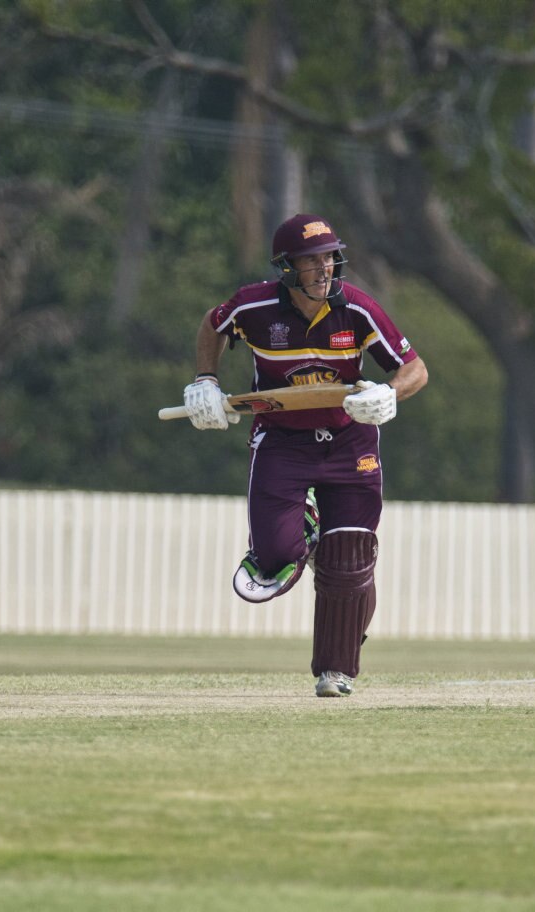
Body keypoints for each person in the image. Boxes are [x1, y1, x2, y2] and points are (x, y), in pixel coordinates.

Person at [182, 213, 427, 697]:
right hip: (281, 440)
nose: (325, 269)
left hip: (348, 441)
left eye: (329, 258)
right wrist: (206, 379)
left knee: (350, 560)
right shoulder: (253, 306)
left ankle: (336, 671)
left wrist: (391, 394)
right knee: (275, 556)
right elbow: (213, 326)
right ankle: (305, 526)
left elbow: (414, 368)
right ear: (287, 269)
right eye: (311, 261)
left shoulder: (357, 309)